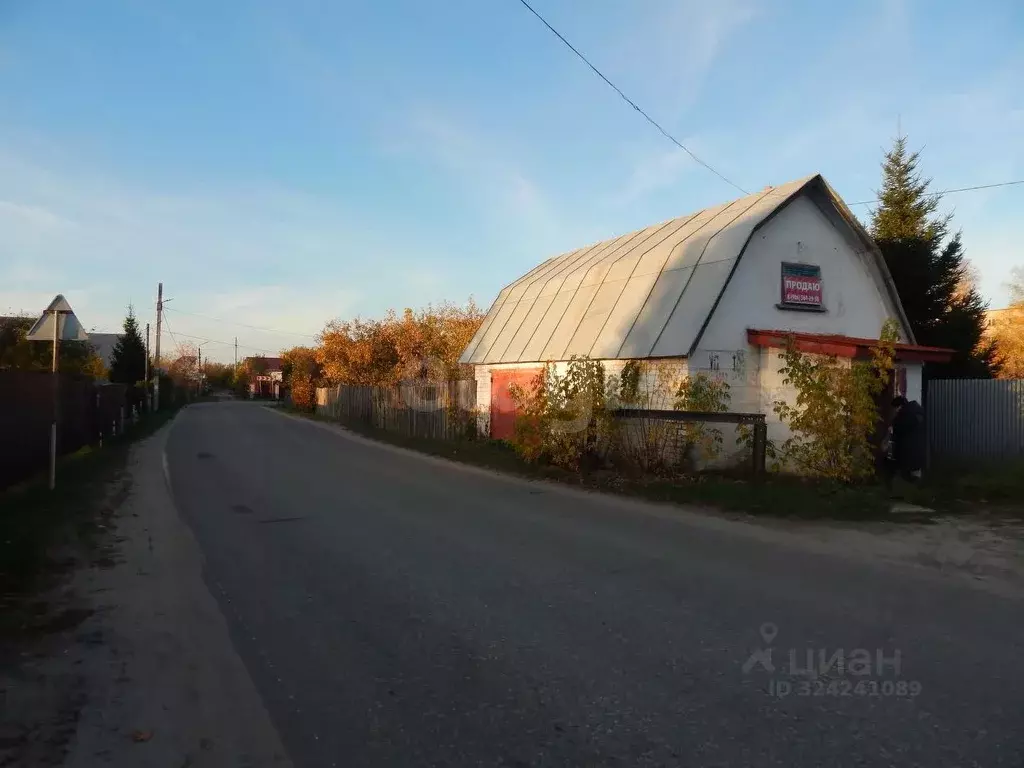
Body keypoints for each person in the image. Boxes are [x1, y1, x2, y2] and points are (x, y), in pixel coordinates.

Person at [887, 395, 925, 486]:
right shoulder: (915, 412)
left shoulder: (905, 416)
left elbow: (901, 429)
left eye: (895, 408)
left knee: (909, 477)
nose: (895, 411)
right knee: (914, 475)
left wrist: (893, 428)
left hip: (908, 452)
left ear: (900, 406)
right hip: (916, 452)